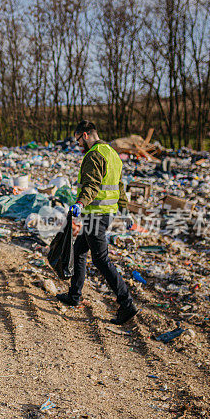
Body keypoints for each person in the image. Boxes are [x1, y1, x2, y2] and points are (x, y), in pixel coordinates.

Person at [57, 120, 138, 325]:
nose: (78, 146)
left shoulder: (94, 155)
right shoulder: (112, 153)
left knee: (101, 259)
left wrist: (80, 203)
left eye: (78, 141)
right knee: (80, 250)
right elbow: (119, 185)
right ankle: (74, 295)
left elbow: (92, 185)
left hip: (96, 214)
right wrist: (125, 210)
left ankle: (127, 304)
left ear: (85, 135)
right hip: (106, 213)